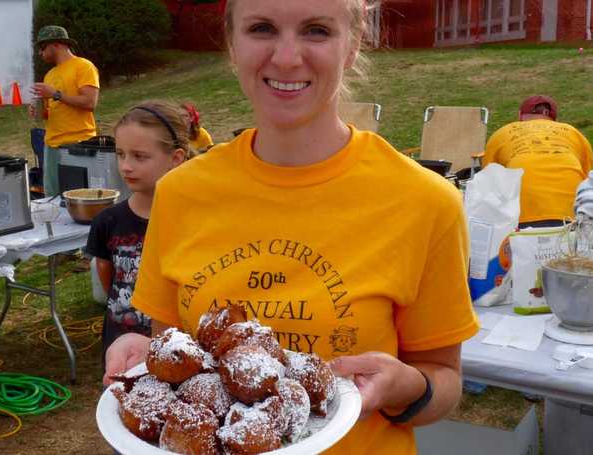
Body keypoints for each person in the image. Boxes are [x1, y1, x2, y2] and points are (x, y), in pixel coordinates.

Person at [104, 1, 479, 454]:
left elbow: (445, 379)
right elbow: (175, 350)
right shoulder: (181, 192)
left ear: (353, 43)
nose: (286, 57)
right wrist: (139, 351)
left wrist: (409, 388)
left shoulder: (425, 201)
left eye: (316, 31)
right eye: (261, 28)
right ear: (232, 44)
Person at [86, 101, 192, 367]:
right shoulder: (107, 221)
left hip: (179, 348)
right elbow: (106, 274)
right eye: (120, 154)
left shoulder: (193, 221)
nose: (126, 166)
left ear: (175, 158)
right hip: (121, 348)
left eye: (139, 156)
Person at [483, 95, 593, 228]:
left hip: (519, 216)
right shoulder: (574, 133)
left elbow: (488, 182)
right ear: (554, 119)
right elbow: (589, 180)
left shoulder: (502, 133)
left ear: (520, 115)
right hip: (571, 215)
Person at [30, 25, 100, 197]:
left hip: (78, 143)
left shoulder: (83, 66)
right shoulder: (50, 75)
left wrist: (55, 94)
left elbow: (90, 102)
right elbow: (51, 111)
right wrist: (38, 111)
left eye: (42, 48)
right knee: (52, 198)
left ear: (56, 44)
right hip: (51, 144)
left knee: (80, 197)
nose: (40, 53)